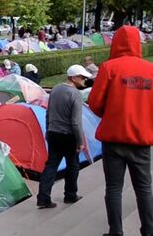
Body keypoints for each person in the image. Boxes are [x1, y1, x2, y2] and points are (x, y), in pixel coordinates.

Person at [89, 26, 153, 236]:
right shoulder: (150, 69)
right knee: (144, 188)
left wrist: (112, 114)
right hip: (141, 139)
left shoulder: (109, 67)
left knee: (114, 189)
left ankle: (116, 231)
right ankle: (148, 230)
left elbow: (95, 102)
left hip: (113, 138)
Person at [37, 64, 92, 209]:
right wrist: (80, 141)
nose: (84, 80)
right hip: (69, 135)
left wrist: (48, 130)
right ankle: (70, 195)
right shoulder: (76, 94)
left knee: (51, 165)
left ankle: (43, 198)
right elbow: (76, 121)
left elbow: (48, 112)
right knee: (73, 165)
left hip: (54, 132)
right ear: (73, 78)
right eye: (82, 77)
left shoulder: (55, 89)